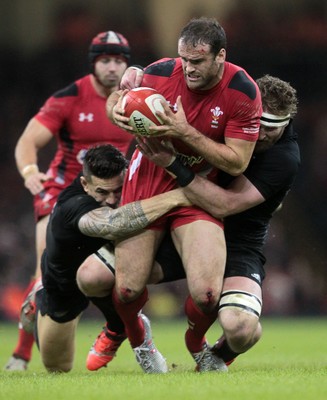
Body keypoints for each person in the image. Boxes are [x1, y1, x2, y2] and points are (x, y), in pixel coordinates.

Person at [105, 16, 262, 372]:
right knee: (127, 290)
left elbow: (237, 163)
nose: (187, 68)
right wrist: (116, 108)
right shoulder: (160, 72)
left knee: (207, 296)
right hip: (146, 178)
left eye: (197, 61)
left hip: (195, 187)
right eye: (183, 59)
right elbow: (117, 102)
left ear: (220, 56)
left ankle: (196, 344)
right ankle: (140, 340)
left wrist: (184, 133)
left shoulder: (243, 91)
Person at [132, 73, 300, 368]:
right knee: (106, 276)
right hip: (186, 224)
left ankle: (216, 356)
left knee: (241, 328)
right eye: (258, 124)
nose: (261, 135)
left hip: (238, 241)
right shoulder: (232, 114)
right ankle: (125, 330)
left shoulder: (283, 158)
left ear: (286, 124)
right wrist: (135, 74)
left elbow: (223, 204)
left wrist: (172, 165)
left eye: (272, 130)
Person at [5, 30, 136, 371]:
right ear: (93, 63)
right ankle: (21, 354)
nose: (112, 68)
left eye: (119, 61)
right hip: (64, 194)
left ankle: (128, 332)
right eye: (105, 60)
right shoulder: (69, 98)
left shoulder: (135, 99)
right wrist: (31, 171)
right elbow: (26, 142)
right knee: (44, 268)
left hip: (111, 196)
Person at [35, 143, 191, 373]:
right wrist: (179, 195)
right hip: (64, 284)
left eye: (117, 190)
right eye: (102, 192)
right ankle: (33, 301)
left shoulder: (136, 182)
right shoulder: (72, 204)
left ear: (126, 175)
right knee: (57, 367)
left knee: (96, 276)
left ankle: (121, 327)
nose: (110, 199)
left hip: (101, 270)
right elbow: (114, 224)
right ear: (85, 184)